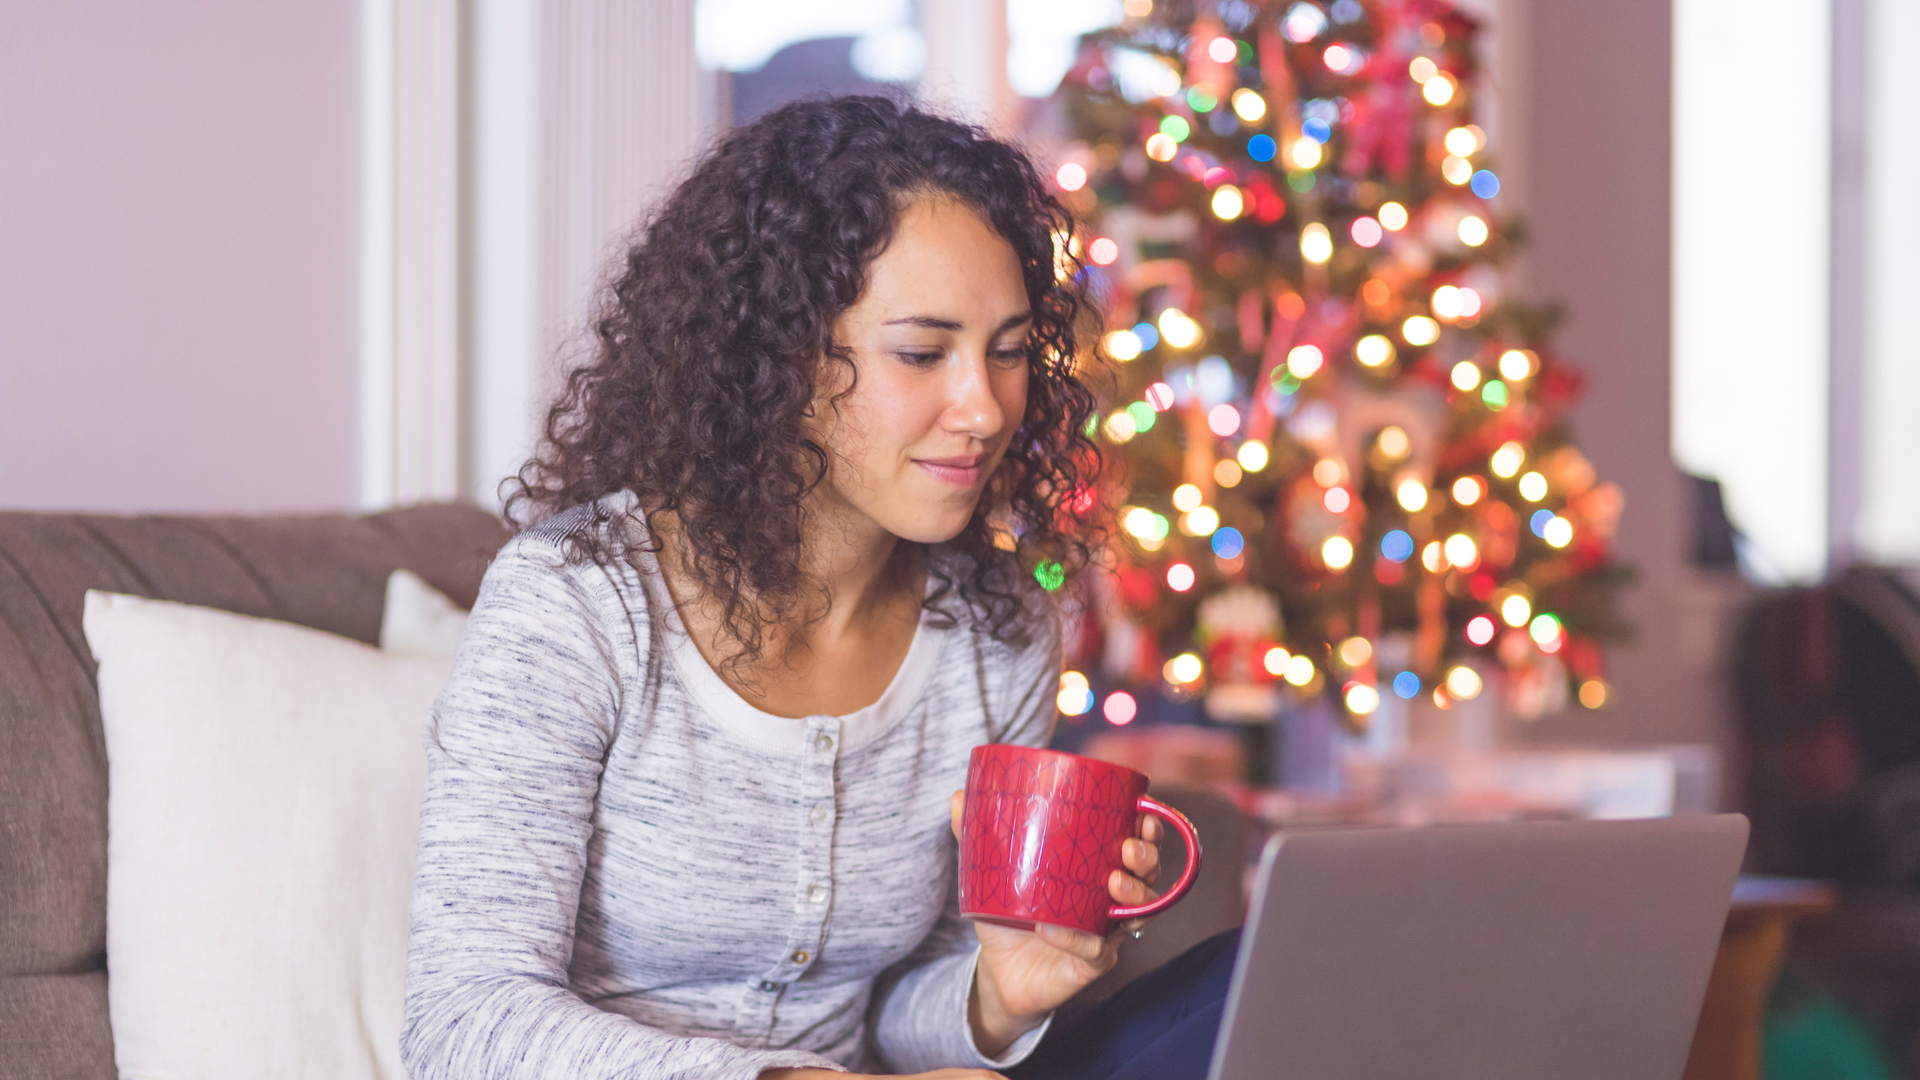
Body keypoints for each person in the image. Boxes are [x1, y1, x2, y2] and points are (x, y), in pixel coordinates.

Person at [400, 95, 1235, 1080]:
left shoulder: (995, 628)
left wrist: (994, 996)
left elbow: (893, 1015)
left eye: (1009, 352)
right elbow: (463, 1019)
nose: (983, 408)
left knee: (1240, 986)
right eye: (922, 353)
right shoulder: (575, 606)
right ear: (779, 357)